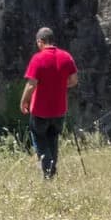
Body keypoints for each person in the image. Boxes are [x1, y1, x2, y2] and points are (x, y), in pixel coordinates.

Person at [20, 27, 78, 180]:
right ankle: (51, 169)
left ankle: (48, 175)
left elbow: (31, 84)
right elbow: (73, 81)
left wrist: (24, 101)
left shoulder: (38, 59)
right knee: (53, 140)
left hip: (40, 110)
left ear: (40, 41)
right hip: (59, 110)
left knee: (40, 141)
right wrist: (58, 85)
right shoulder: (66, 57)